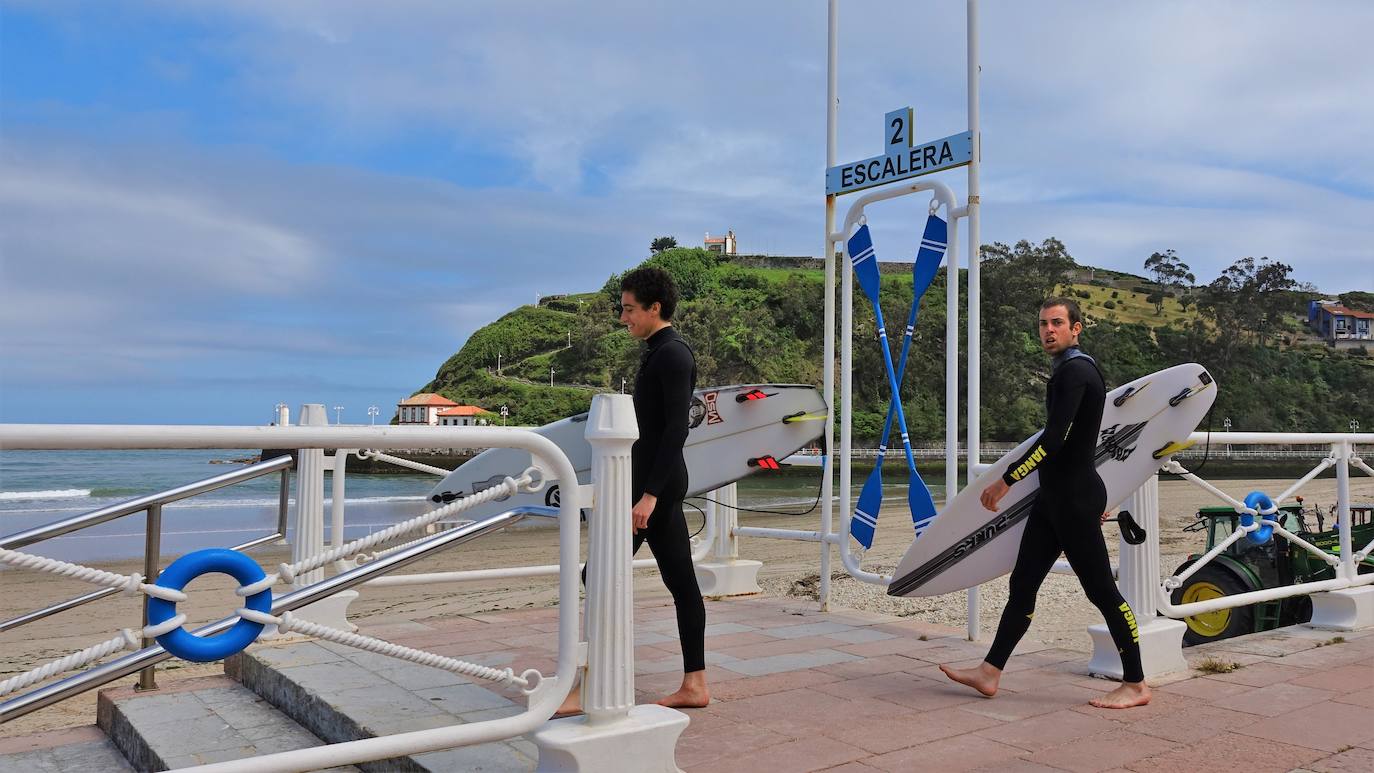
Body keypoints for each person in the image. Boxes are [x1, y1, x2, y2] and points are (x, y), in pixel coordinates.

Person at [940, 297, 1151, 710]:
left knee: (1103, 593)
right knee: (1023, 586)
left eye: (1057, 323)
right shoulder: (1068, 370)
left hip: (1072, 501)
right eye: (1042, 324)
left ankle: (1137, 684)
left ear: (1077, 328)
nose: (1048, 331)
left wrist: (1006, 481)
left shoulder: (1076, 371)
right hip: (1054, 499)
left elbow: (1054, 442)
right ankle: (990, 672)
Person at [558, 266, 709, 715]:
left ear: (653, 308)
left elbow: (675, 430)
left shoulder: (672, 355)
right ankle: (695, 683)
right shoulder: (657, 351)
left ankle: (587, 684)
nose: (623, 317)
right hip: (651, 487)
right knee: (681, 582)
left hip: (649, 491)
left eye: (628, 309)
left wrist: (649, 497)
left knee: (595, 576)